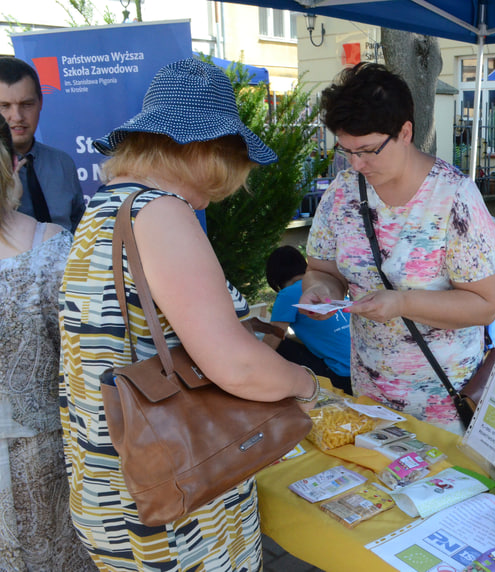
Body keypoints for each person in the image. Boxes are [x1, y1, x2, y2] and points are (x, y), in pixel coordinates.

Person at [58, 59, 319, 570]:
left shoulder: (108, 207)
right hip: (179, 500)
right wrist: (305, 382)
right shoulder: (160, 213)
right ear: (210, 151)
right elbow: (236, 365)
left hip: (120, 485)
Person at [301, 62, 495, 435]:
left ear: (405, 131)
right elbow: (322, 269)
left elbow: (486, 304)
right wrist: (319, 291)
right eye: (346, 151)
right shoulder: (343, 192)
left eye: (367, 150)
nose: (356, 164)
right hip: (369, 396)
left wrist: (402, 303)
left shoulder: (454, 197)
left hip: (447, 405)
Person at [0, 115, 95, 570]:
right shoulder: (51, 245)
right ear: (13, 167)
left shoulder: (51, 245)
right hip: (45, 453)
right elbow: (83, 360)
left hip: (41, 453)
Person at [0, 57, 86, 232]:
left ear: (40, 103)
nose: (17, 116)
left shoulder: (62, 163)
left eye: (26, 104)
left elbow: (80, 231)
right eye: (4, 106)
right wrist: (8, 206)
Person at [266, 245, 352, 394]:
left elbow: (273, 338)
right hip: (362, 370)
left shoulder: (287, 294)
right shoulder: (326, 287)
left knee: (280, 345)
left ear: (274, 277)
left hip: (340, 376)